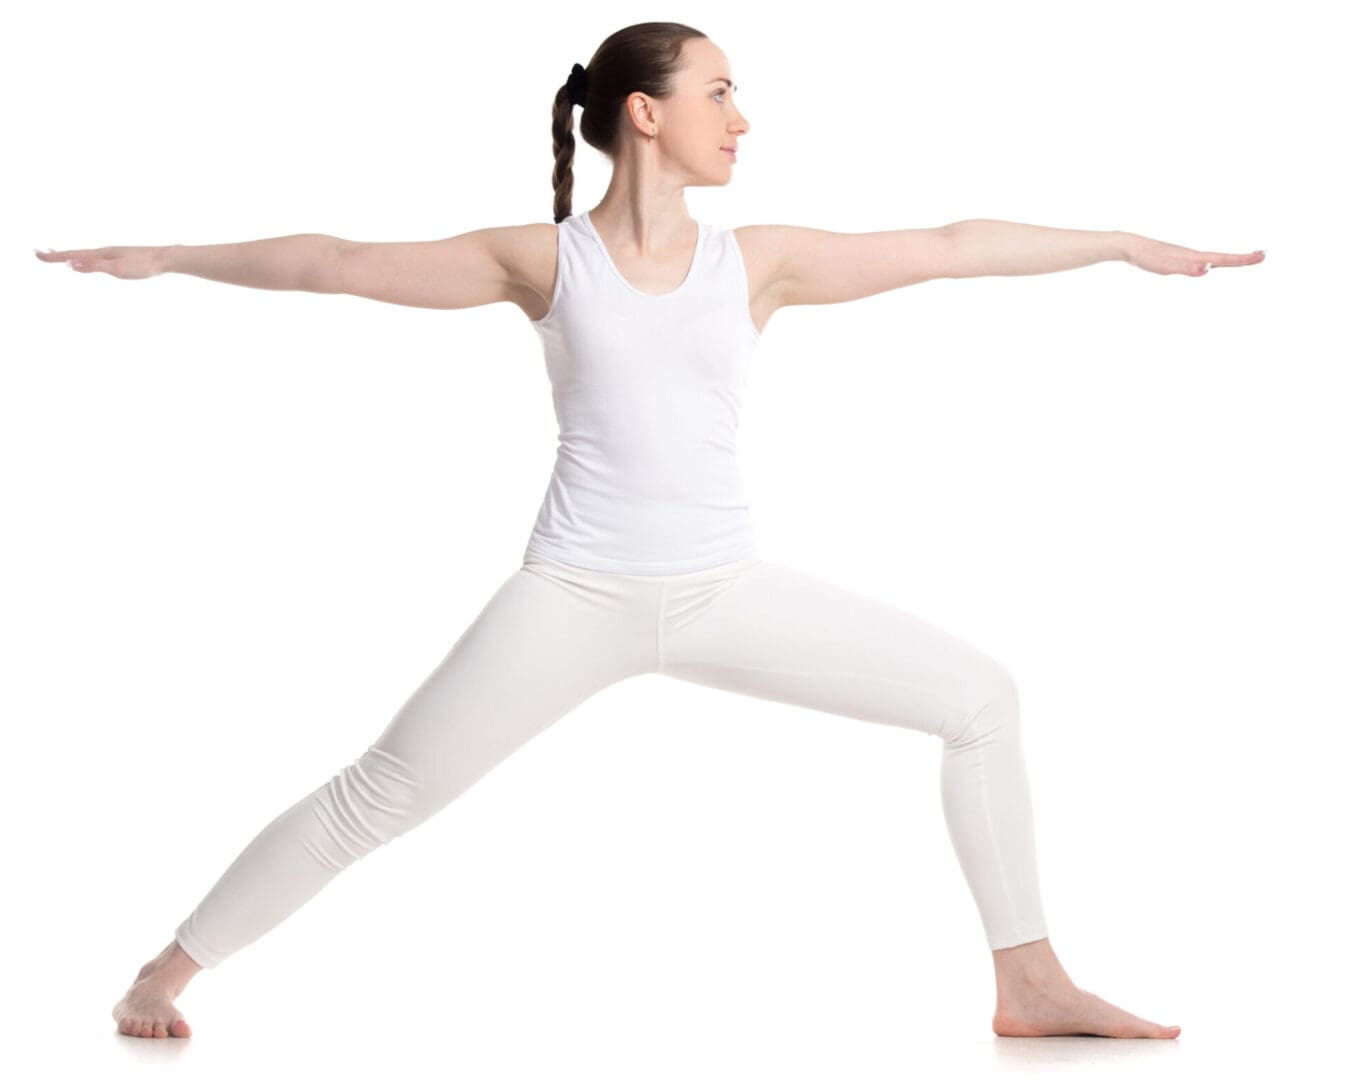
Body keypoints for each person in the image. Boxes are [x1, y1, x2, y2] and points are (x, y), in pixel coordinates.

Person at [39, 21, 1263, 1042]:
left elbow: (951, 247)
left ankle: (1028, 983)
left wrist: (1116, 245)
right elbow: (338, 264)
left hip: (723, 590)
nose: (741, 119)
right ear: (642, 112)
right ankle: (165, 970)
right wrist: (172, 258)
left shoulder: (760, 262)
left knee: (979, 697)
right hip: (573, 593)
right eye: (720, 92)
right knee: (381, 794)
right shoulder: (547, 260)